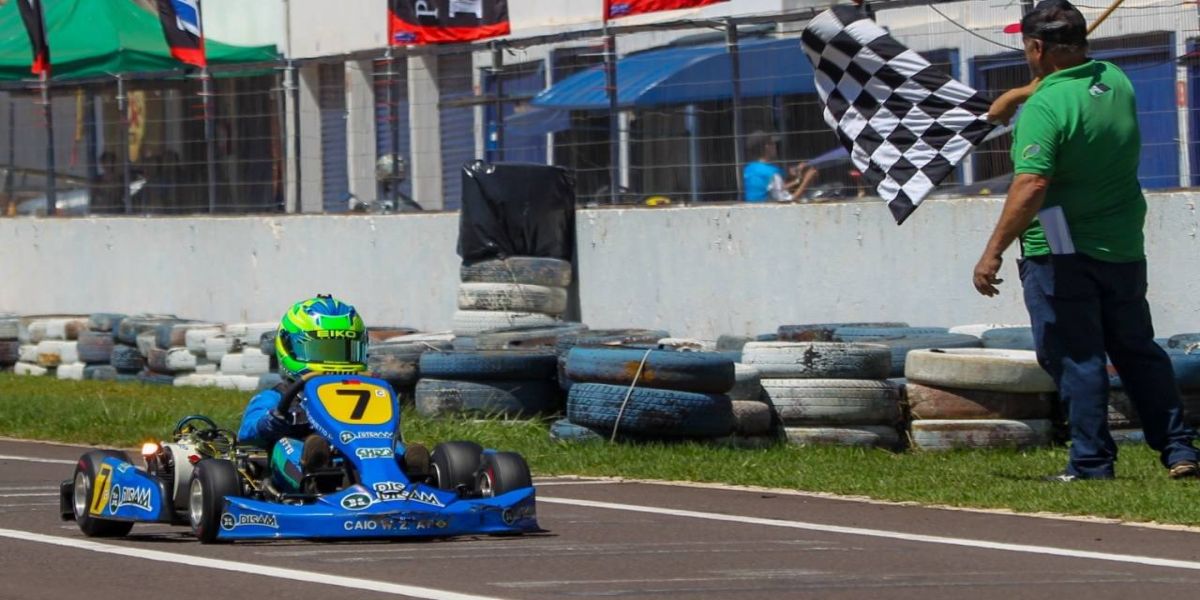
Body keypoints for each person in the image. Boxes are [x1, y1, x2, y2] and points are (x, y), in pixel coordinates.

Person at [972, 0, 1200, 481]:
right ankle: (1180, 449)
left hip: (1059, 250)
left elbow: (1031, 184)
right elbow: (1025, 100)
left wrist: (992, 251)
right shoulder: (1115, 80)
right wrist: (1024, 91)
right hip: (1121, 243)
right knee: (1138, 349)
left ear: (1036, 47)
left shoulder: (1045, 108)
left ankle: (1092, 461)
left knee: (1076, 355)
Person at [237, 295, 371, 495]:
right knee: (288, 446)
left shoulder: (367, 393)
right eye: (321, 350)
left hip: (359, 451)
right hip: (303, 459)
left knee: (393, 449)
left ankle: (416, 474)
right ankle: (313, 483)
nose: (333, 361)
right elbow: (246, 432)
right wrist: (268, 423)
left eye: (343, 351)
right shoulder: (277, 396)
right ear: (289, 348)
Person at [742, 131, 818, 202]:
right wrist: (807, 180)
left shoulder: (749, 169)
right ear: (767, 147)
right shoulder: (772, 173)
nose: (775, 146)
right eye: (772, 143)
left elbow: (773, 189)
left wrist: (798, 180)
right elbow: (787, 201)